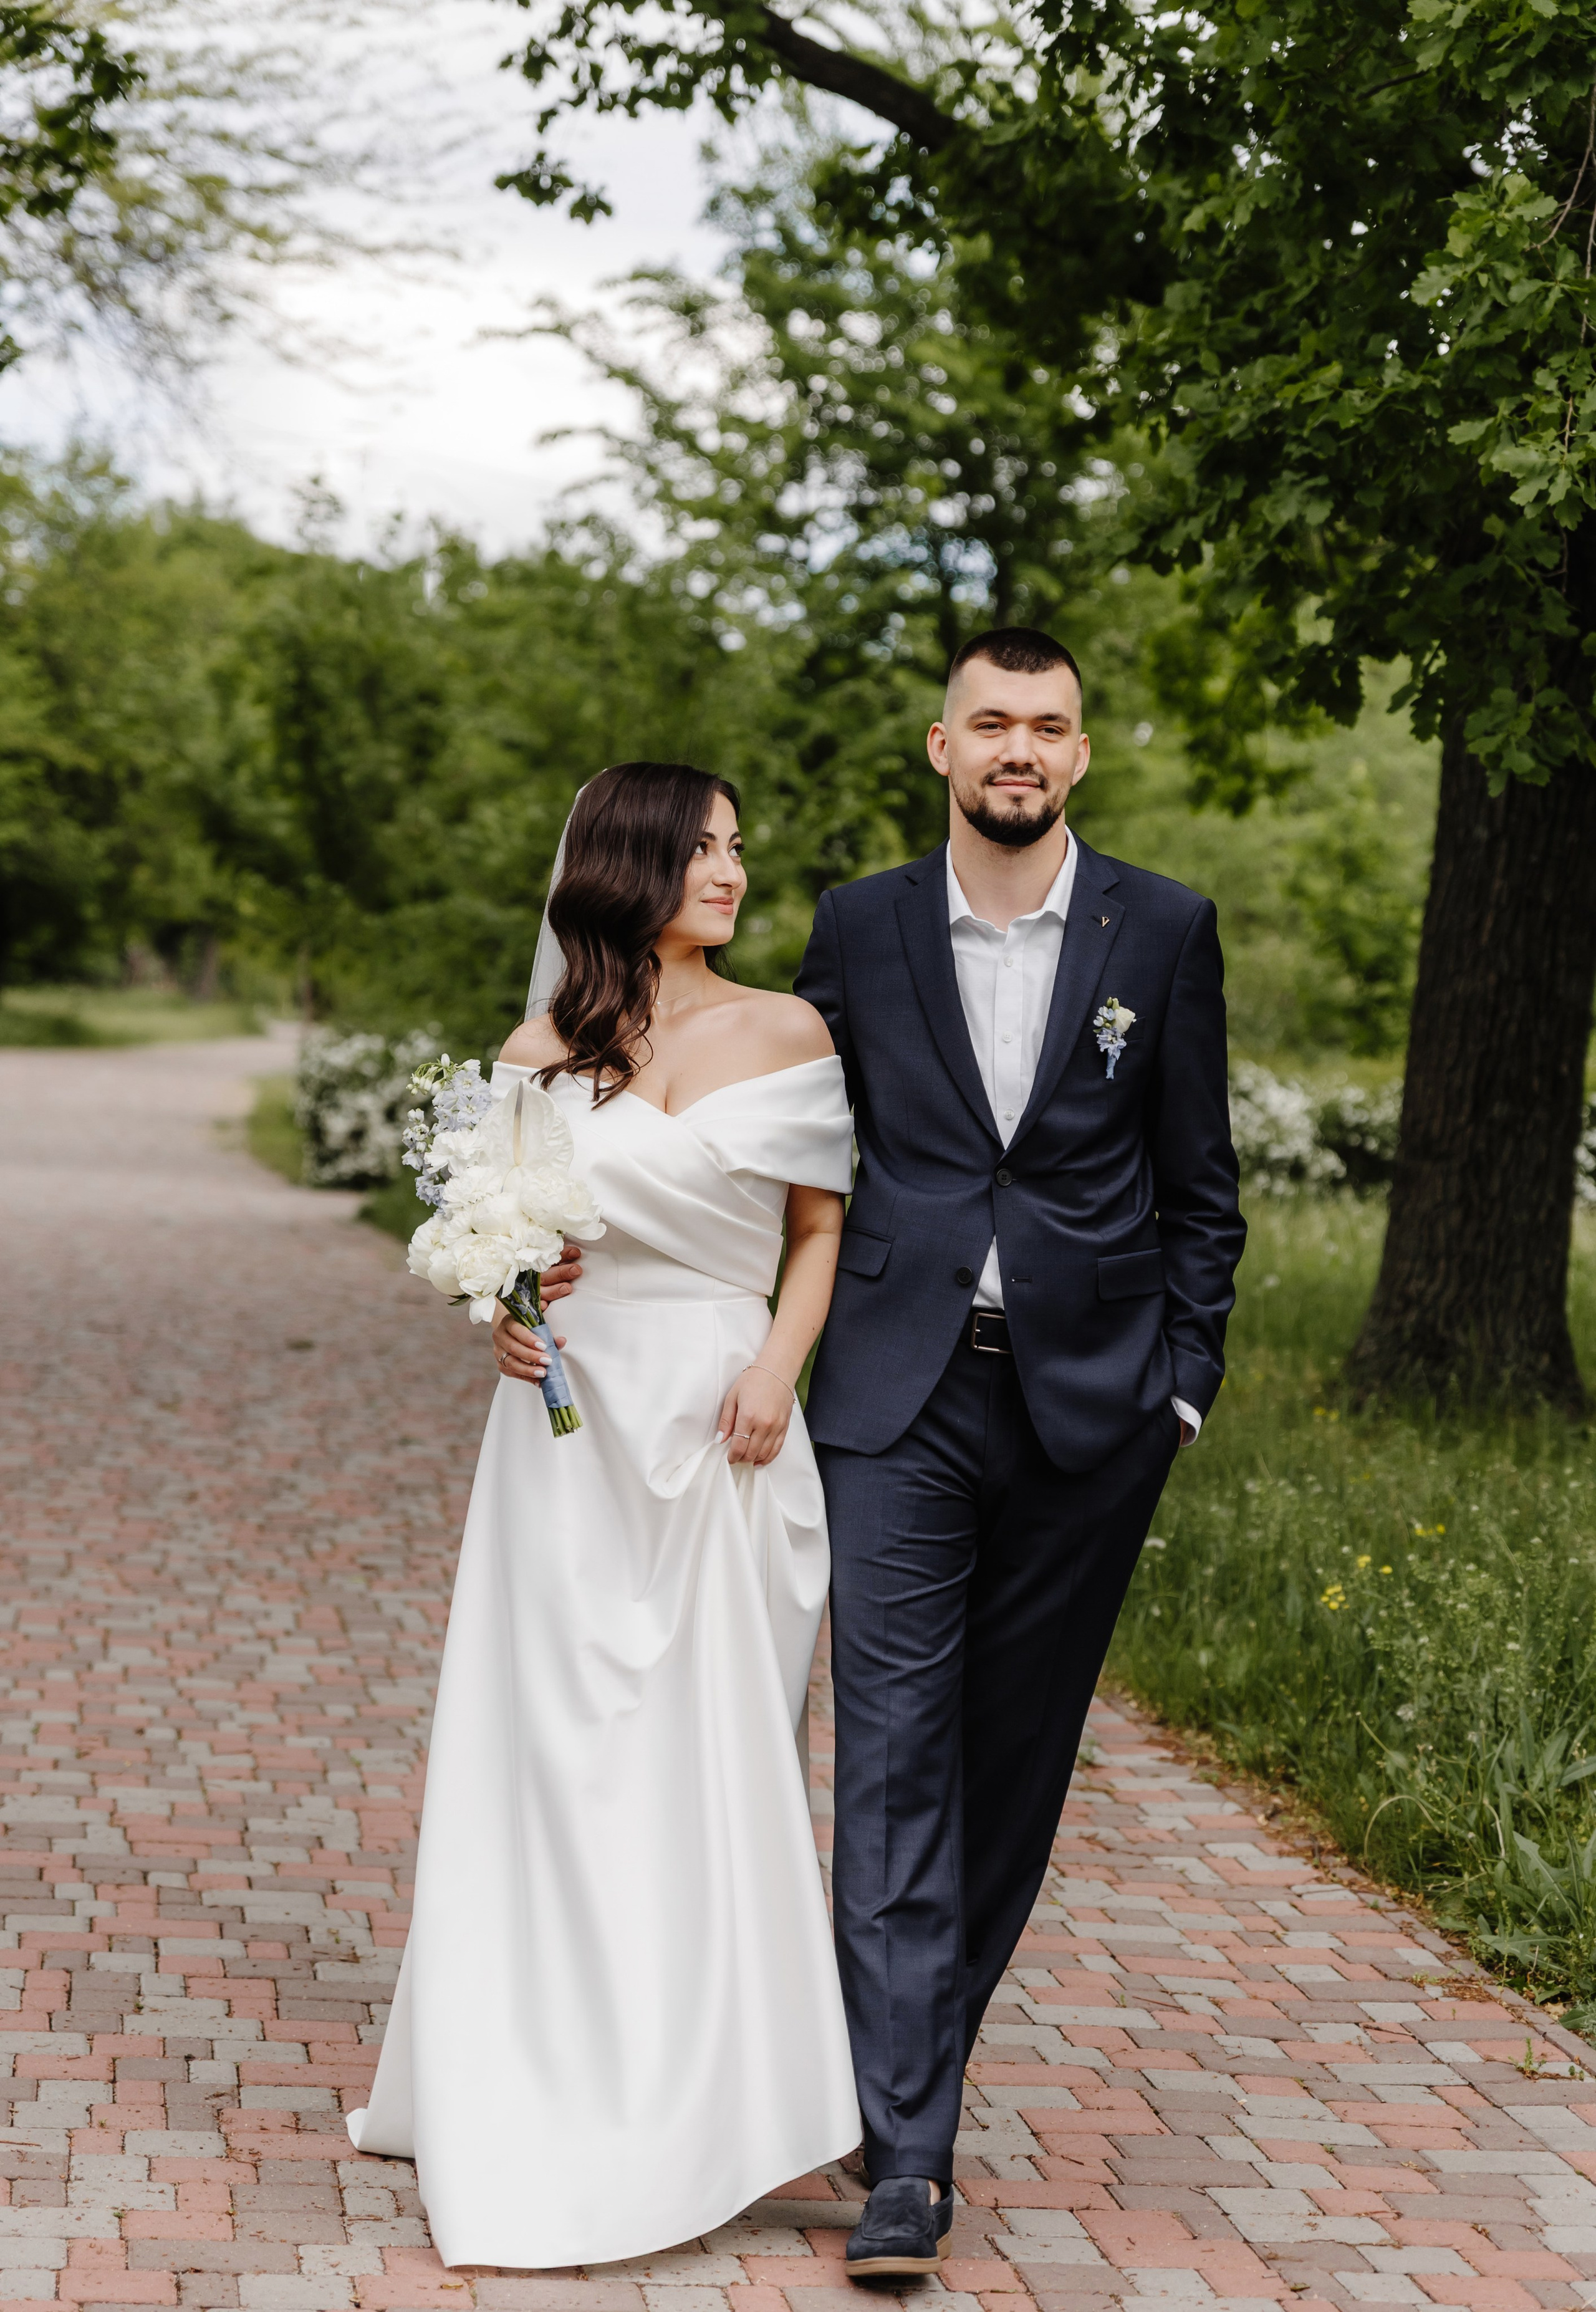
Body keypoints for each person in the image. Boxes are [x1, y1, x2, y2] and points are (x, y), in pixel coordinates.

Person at [347, 761, 861, 2269]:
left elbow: (819, 1231)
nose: (731, 872)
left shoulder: (786, 1029)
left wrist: (774, 1368)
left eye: (737, 848)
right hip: (567, 1435)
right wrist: (508, 1317)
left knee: (711, 1754)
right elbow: (509, 1248)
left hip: (721, 1420)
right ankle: (541, 2071)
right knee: (561, 1751)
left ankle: (720, 2099)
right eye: (701, 848)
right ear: (629, 864)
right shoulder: (541, 1049)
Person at [794, 626, 1247, 2276]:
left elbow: (1200, 1185)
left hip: (1090, 1413)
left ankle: (899, 2069)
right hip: (893, 1401)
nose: (1019, 749)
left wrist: (1178, 1390)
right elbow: (784, 1150)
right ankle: (908, 2159)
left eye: (1048, 727)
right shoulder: (857, 926)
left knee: (1010, 1771)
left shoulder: (1162, 928)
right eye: (991, 721)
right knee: (892, 1758)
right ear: (940, 746)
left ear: (1078, 754)